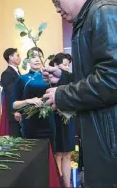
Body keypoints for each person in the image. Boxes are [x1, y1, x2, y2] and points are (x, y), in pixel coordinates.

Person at [43, 0, 117, 187]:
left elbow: (112, 80)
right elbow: (98, 75)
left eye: (57, 0)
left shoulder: (104, 12)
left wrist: (63, 95)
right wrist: (64, 79)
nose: (56, 8)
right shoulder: (86, 19)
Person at [13, 47, 56, 149]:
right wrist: (29, 101)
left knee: (49, 154)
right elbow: (14, 104)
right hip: (30, 123)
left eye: (39, 57)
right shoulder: (22, 79)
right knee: (32, 154)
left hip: (48, 122)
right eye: (33, 57)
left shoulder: (50, 77)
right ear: (28, 60)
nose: (37, 59)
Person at [49, 53, 75, 187]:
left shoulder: (70, 79)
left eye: (68, 65)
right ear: (55, 65)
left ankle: (67, 184)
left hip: (68, 119)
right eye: (64, 64)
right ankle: (59, 184)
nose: (66, 67)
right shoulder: (49, 79)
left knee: (68, 153)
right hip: (55, 119)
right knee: (58, 154)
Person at [0, 48, 22, 137]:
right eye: (17, 55)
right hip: (14, 111)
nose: (19, 58)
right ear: (11, 57)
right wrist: (15, 111)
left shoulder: (16, 71)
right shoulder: (7, 73)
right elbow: (10, 94)